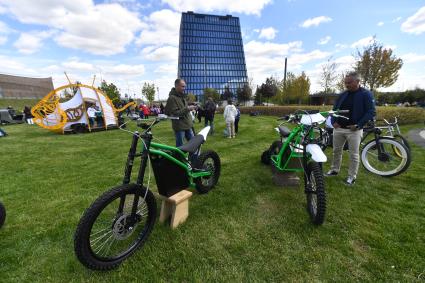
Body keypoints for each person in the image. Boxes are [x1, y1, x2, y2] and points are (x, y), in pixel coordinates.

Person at [325, 71, 376, 186]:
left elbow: (371, 111)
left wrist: (359, 125)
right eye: (345, 82)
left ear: (358, 81)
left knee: (354, 154)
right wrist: (333, 122)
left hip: (354, 130)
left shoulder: (366, 94)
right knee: (336, 151)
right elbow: (334, 110)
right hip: (339, 129)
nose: (347, 85)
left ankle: (351, 177)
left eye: (349, 82)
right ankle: (334, 170)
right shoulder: (343, 94)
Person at [164, 79, 197, 147]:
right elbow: (176, 113)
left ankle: (194, 157)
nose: (184, 88)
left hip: (188, 125)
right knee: (180, 148)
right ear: (176, 86)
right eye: (182, 86)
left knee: (194, 145)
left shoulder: (182, 96)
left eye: (184, 86)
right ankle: (180, 158)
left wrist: (191, 104)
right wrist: (188, 108)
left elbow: (183, 107)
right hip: (180, 127)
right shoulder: (172, 98)